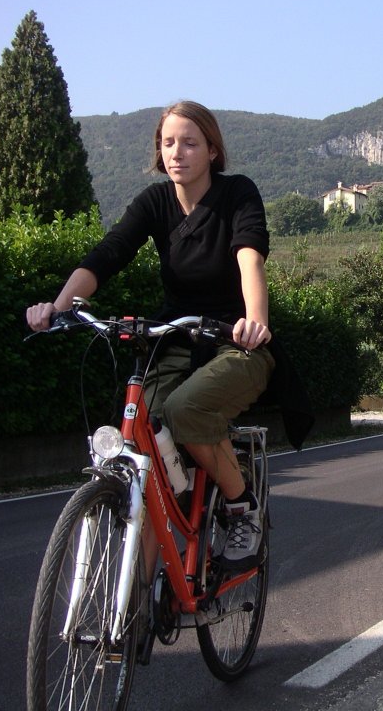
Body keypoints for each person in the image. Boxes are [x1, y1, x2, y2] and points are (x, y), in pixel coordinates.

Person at [27, 100, 275, 572]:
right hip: (173, 337)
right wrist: (58, 308)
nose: (176, 152)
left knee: (184, 411)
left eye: (189, 142)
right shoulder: (153, 202)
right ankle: (133, 609)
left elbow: (250, 258)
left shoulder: (238, 193)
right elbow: (109, 253)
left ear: (213, 150)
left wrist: (254, 321)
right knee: (140, 438)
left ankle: (242, 505)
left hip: (233, 339)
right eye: (168, 143)